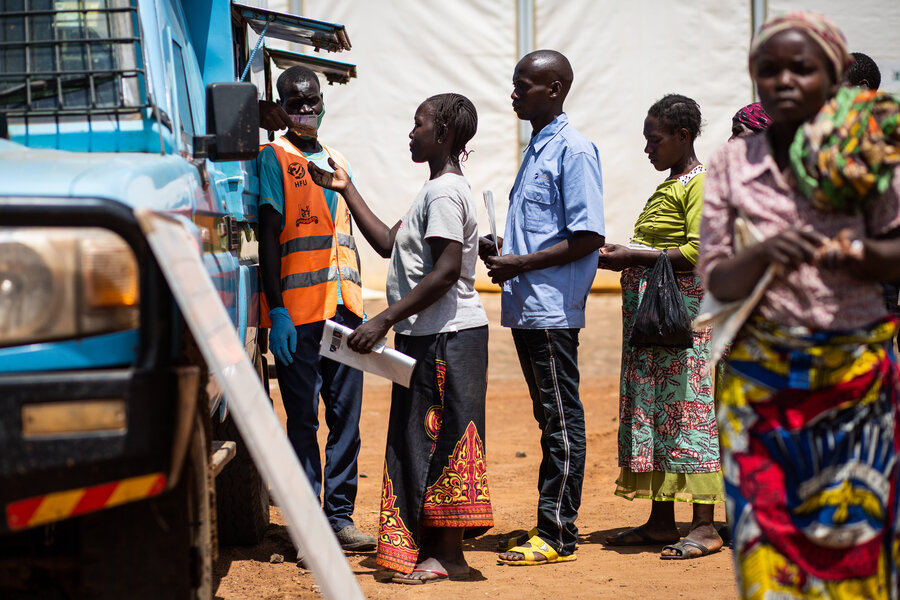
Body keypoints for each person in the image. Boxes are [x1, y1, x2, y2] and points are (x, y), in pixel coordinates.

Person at [699, 12, 900, 597]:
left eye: (801, 68)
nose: (783, 80)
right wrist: (765, 255)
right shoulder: (733, 163)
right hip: (762, 386)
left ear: (833, 76)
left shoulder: (869, 150)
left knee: (855, 541)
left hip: (856, 380)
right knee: (769, 546)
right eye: (769, 70)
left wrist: (856, 253)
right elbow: (717, 280)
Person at [308, 93, 493, 584]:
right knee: (419, 438)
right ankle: (433, 550)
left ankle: (448, 556)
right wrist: (346, 190)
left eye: (418, 125)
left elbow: (448, 270)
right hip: (429, 335)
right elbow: (390, 246)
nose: (410, 134)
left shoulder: (444, 193)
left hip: (450, 337)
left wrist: (383, 320)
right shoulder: (429, 192)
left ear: (444, 133)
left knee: (442, 437)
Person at [482, 49, 605, 566]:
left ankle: (559, 534)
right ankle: (549, 522)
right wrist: (503, 252)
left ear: (553, 89)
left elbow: (587, 236)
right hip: (529, 304)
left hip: (551, 309)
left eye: (523, 85)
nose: (514, 93)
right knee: (549, 415)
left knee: (561, 419)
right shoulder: (537, 147)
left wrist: (522, 263)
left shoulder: (572, 152)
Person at [598, 94, 724, 559]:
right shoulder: (673, 182)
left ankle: (706, 526)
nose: (647, 149)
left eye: (655, 140)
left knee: (689, 413)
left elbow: (697, 252)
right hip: (655, 326)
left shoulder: (699, 183)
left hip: (682, 326)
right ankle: (660, 521)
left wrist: (633, 256)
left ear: (683, 137)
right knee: (657, 412)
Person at [257, 65, 375, 552]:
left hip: (343, 313)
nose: (306, 110)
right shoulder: (273, 158)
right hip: (298, 319)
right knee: (302, 419)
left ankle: (339, 519)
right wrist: (277, 311)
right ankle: (308, 528)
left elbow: (344, 240)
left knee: (346, 418)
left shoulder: (336, 160)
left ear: (323, 102)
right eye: (295, 102)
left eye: (312, 101)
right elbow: (268, 241)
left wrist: (360, 309)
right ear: (281, 108)